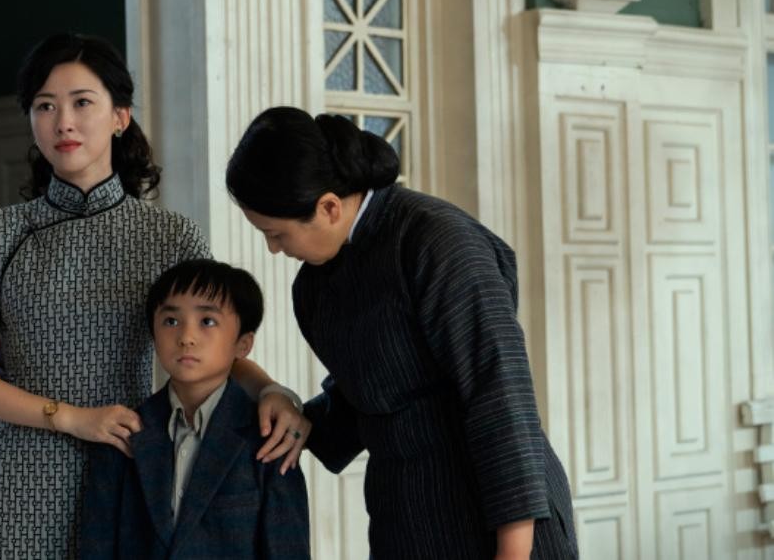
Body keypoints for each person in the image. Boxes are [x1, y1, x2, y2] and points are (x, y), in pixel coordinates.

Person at [0, 35, 305, 559]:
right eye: (45, 106)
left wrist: (273, 391)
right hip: (22, 484)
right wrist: (71, 417)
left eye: (82, 102)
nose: (63, 122)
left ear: (120, 116)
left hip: (136, 473)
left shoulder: (170, 236)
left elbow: (212, 345)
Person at [225, 106, 579, 560]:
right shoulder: (313, 286)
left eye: (276, 234)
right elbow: (366, 399)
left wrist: (513, 552)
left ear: (329, 207)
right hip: (405, 516)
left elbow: (500, 396)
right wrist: (286, 407)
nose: (274, 249)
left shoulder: (438, 241)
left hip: (498, 516)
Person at [80, 259, 311, 559]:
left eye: (207, 321)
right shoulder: (122, 434)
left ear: (243, 344)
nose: (186, 337)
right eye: (171, 321)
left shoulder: (270, 438)